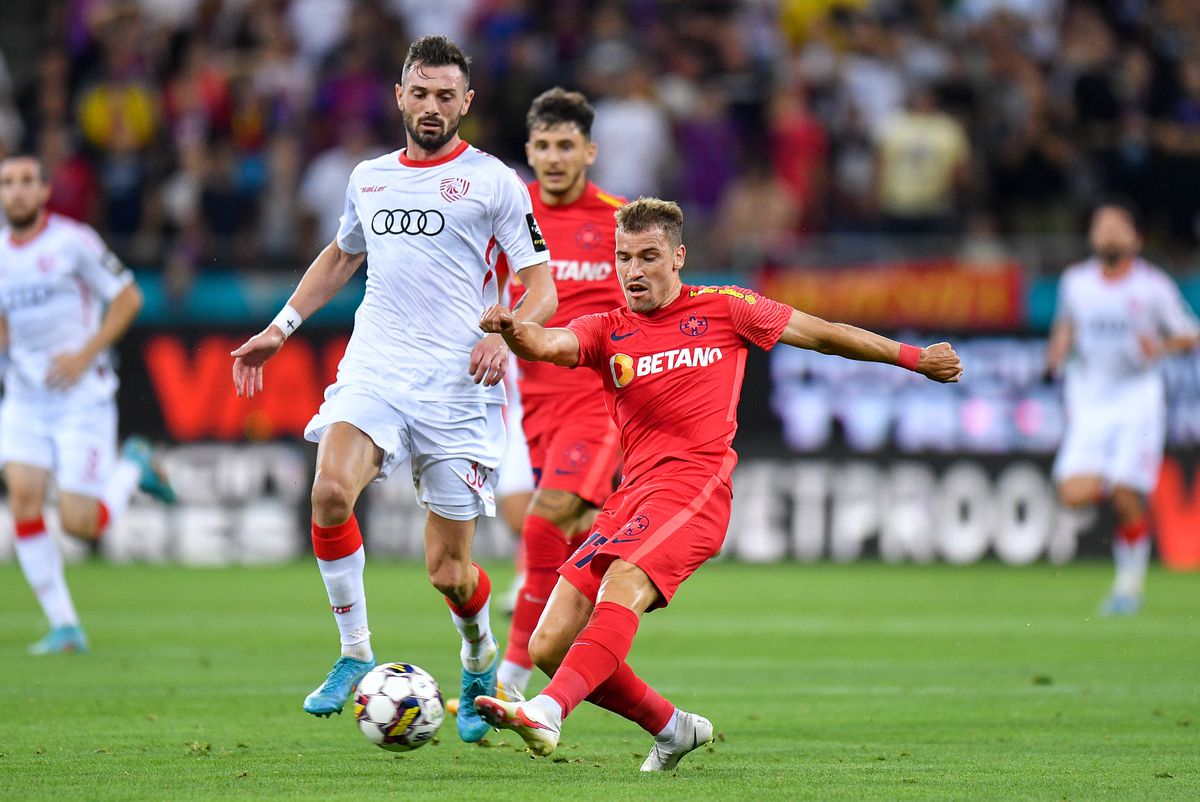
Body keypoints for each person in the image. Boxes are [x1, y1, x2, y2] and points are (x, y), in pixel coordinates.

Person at [473, 198, 962, 770]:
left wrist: (913, 357)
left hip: (696, 489)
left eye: (648, 256)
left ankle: (549, 711)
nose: (633, 270)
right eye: (623, 257)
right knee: (548, 644)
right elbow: (551, 344)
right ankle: (671, 727)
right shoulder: (606, 328)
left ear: (678, 257)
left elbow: (823, 334)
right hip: (630, 495)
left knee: (624, 581)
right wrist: (516, 328)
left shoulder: (728, 309)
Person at [228, 35, 555, 742]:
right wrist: (280, 328)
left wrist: (503, 334)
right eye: (421, 92)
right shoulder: (369, 177)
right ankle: (354, 654)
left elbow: (542, 289)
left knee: (450, 574)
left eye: (447, 95)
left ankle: (477, 660)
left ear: (465, 103)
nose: (432, 106)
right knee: (328, 493)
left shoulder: (496, 181)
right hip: (375, 370)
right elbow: (344, 254)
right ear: (399, 95)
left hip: (458, 390)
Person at [0, 154, 175, 655]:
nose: (15, 191)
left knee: (80, 524)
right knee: (24, 503)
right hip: (26, 398)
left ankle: (133, 466)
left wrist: (84, 354)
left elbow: (128, 297)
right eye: (7, 183)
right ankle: (65, 626)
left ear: (43, 190)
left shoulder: (73, 242)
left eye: (25, 181)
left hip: (81, 396)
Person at [494, 87, 627, 698]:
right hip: (531, 403)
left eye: (566, 145)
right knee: (580, 540)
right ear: (528, 150)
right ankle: (611, 677)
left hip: (599, 404)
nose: (553, 157)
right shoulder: (510, 214)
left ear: (589, 151)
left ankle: (510, 675)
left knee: (544, 521)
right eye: (543, 145)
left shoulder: (621, 221)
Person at [1047, 202, 1200, 615]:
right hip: (1090, 399)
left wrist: (1161, 347)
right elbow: (1066, 324)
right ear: (1092, 237)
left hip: (1137, 400)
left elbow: (1190, 335)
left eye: (1117, 227)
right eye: (1102, 227)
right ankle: (1116, 488)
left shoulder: (1152, 286)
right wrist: (1057, 349)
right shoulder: (1076, 282)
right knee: (1071, 492)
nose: (1109, 234)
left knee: (1126, 494)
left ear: (1135, 238)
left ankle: (1128, 587)